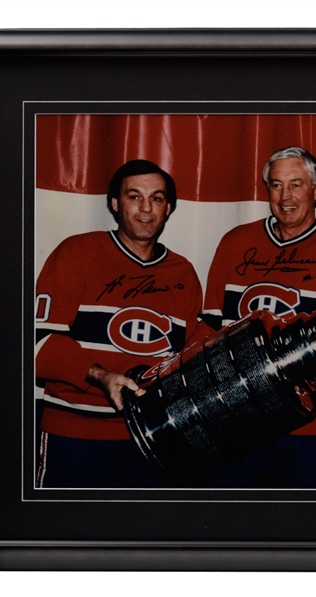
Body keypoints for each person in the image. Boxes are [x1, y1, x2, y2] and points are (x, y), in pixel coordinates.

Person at [202, 146, 316, 488]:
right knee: (239, 532)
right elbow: (207, 330)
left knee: (311, 533)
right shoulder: (234, 243)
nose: (286, 196)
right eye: (277, 185)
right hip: (242, 422)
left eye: (297, 184)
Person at [35, 159, 203, 488]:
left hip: (151, 440)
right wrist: (102, 376)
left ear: (168, 208)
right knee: (63, 536)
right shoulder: (76, 252)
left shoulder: (184, 273)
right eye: (133, 196)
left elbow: (190, 355)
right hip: (75, 436)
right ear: (114, 203)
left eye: (156, 198)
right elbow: (38, 344)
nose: (145, 209)